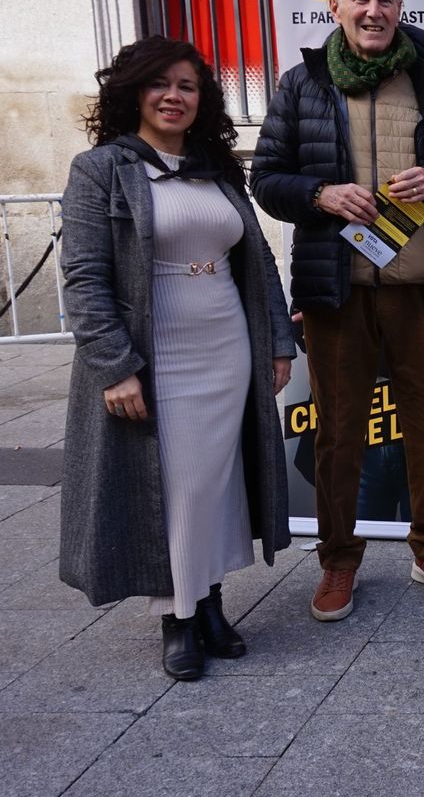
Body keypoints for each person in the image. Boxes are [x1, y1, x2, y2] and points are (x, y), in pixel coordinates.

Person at [252, 0, 424, 622]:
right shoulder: (301, 85)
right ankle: (339, 561)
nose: (373, 10)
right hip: (338, 292)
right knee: (338, 434)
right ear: (334, 8)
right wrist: (319, 193)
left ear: (399, 7)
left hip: (422, 290)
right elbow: (266, 181)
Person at [59, 36, 294, 680]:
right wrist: (115, 365)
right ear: (134, 93)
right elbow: (82, 275)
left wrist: (277, 340)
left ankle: (211, 604)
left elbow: (259, 262)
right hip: (156, 354)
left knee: (218, 481)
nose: (173, 96)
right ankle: (179, 618)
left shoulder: (216, 168)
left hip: (226, 344)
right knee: (178, 483)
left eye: (187, 86)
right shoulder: (100, 168)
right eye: (160, 84)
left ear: (202, 99)